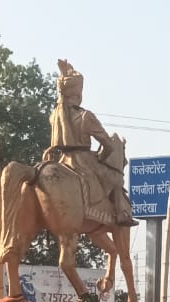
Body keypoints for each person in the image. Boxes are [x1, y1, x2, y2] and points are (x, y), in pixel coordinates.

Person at [43, 60, 136, 228]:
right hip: (83, 163)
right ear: (78, 94)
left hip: (61, 160)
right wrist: (101, 156)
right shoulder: (85, 116)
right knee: (116, 180)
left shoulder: (54, 115)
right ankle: (122, 215)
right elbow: (107, 144)